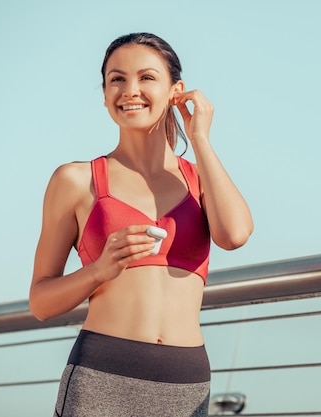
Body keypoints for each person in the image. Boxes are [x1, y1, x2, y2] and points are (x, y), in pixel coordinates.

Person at [29, 32, 253, 417]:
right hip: (102, 372)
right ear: (104, 93)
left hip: (186, 381)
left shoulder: (201, 180)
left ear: (175, 91)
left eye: (147, 78)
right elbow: (41, 302)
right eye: (117, 79)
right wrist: (99, 270)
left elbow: (234, 235)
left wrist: (199, 137)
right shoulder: (75, 180)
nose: (130, 90)